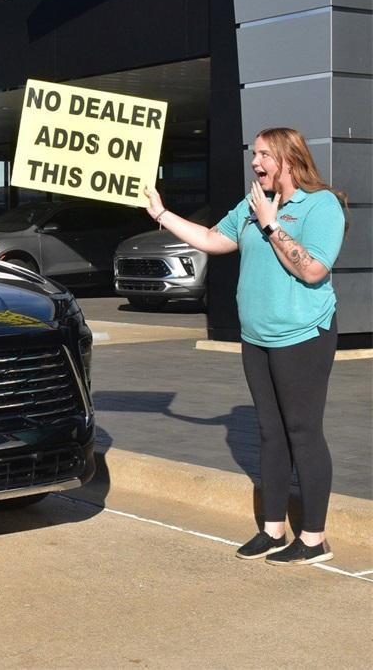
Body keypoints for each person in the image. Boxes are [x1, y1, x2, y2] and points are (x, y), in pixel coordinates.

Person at [142, 127, 347, 566]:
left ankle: (314, 539)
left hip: (302, 335)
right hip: (256, 337)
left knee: (302, 432)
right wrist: (162, 214)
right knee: (270, 433)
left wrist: (272, 223)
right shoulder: (252, 205)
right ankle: (273, 530)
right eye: (254, 155)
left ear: (289, 158)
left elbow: (312, 271)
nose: (255, 163)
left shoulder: (320, 205)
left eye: (264, 156)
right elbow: (214, 240)